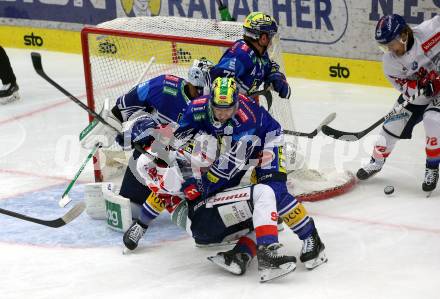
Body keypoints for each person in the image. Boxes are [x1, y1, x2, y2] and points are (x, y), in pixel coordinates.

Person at [169, 77, 327, 271]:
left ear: (236, 104)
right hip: (230, 145)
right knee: (253, 202)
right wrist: (188, 177)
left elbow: (227, 169)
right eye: (218, 109)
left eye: (227, 109)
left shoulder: (246, 120)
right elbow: (176, 145)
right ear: (210, 101)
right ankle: (242, 252)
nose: (222, 114)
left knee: (273, 191)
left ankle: (311, 238)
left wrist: (202, 188)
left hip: (267, 141)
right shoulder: (196, 108)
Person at [80, 59, 213, 221]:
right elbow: (127, 103)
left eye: (205, 90)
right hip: (159, 153)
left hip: (191, 158)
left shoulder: (212, 106)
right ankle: (145, 198)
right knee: (132, 205)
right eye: (198, 89)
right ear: (190, 83)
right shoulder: (164, 86)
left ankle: (177, 199)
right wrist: (112, 124)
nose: (202, 95)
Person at [357, 14, 440, 195]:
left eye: (391, 43)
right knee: (391, 125)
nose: (390, 48)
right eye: (385, 45)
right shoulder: (390, 62)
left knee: (432, 119)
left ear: (404, 35)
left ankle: (432, 168)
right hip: (418, 96)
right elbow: (404, 88)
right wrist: (422, 85)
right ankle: (376, 162)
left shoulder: (429, 32)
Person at [209, 12, 291, 99]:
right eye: (270, 37)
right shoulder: (241, 55)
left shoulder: (260, 54)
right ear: (263, 38)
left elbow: (268, 67)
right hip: (226, 109)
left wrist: (276, 77)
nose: (271, 43)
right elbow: (214, 81)